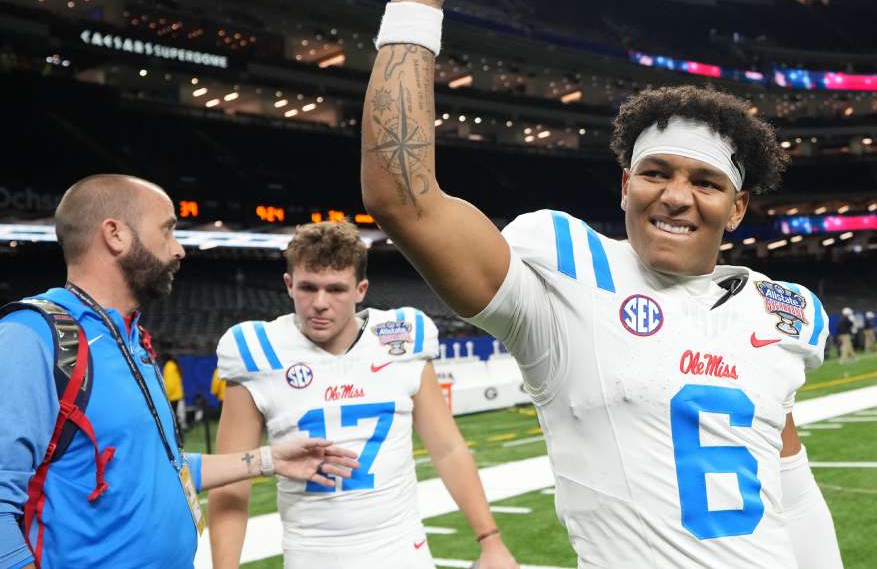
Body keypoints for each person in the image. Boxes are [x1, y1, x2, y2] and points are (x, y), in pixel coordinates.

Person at [360, 0, 842, 568]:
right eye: (656, 173)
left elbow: (790, 488)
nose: (676, 197)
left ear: (736, 208)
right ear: (625, 185)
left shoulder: (780, 312)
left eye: (705, 182)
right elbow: (403, 199)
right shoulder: (564, 272)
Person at [0, 174, 359, 569]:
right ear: (115, 235)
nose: (179, 249)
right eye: (168, 230)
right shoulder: (32, 339)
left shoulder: (128, 337)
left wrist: (268, 460)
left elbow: (156, 467)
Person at [208, 221, 517, 569]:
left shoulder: (400, 338)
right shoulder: (257, 352)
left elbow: (447, 447)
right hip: (313, 556)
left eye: (336, 289)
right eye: (308, 287)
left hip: (402, 551)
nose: (320, 303)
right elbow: (231, 480)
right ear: (289, 284)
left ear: (361, 289)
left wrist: (490, 539)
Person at [163, 355, 187, 431]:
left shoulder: (169, 366)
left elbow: (170, 384)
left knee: (173, 419)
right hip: (177, 395)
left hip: (172, 396)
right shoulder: (174, 365)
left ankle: (177, 436)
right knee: (176, 418)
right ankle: (179, 435)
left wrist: (166, 395)